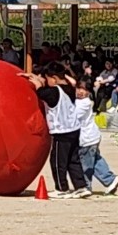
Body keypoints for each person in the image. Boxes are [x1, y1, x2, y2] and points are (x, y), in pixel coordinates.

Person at [26, 64, 88, 198]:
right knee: (73, 160)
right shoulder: (69, 88)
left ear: (53, 78)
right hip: (74, 129)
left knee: (58, 161)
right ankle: (81, 186)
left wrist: (37, 83)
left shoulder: (54, 91)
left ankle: (61, 188)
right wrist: (39, 79)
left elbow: (41, 93)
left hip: (62, 131)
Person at [75, 84, 118, 194]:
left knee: (85, 163)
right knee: (95, 160)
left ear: (89, 92)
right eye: (79, 88)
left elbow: (72, 116)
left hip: (87, 138)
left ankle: (86, 186)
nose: (81, 91)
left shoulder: (84, 103)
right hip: (93, 137)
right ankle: (110, 179)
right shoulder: (81, 101)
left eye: (84, 89)